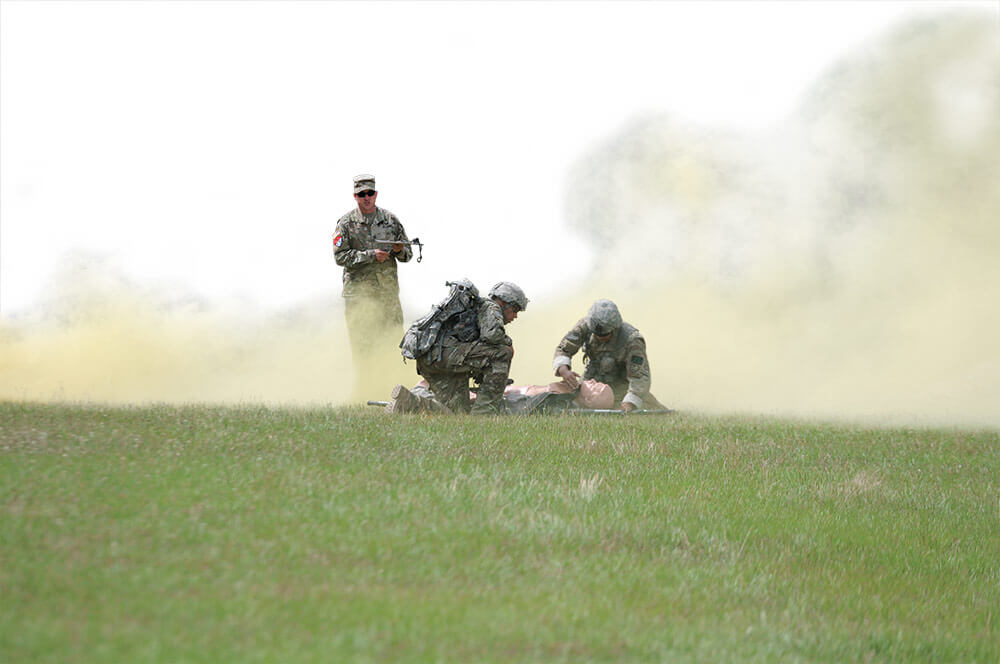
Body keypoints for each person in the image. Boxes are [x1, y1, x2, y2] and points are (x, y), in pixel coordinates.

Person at [387, 281, 529, 415]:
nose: (515, 315)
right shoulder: (491, 307)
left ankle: (409, 402)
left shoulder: (476, 310)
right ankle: (485, 414)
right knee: (503, 352)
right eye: (514, 308)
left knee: (458, 412)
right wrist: (508, 343)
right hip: (445, 356)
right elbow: (492, 335)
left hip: (431, 360)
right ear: (502, 302)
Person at [333, 174, 413, 359]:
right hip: (360, 298)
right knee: (363, 349)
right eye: (362, 194)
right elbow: (340, 256)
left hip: (387, 296)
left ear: (376, 194)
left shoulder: (391, 221)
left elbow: (407, 255)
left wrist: (399, 250)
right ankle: (367, 385)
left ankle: (393, 385)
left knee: (393, 345)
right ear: (355, 196)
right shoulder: (345, 224)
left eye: (370, 193)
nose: (366, 197)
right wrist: (370, 255)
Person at [553, 299, 666, 412]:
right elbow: (564, 348)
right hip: (592, 382)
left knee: (653, 410)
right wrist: (564, 370)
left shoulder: (632, 340)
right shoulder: (585, 326)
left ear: (615, 328)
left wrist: (629, 404)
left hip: (622, 386)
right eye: (597, 334)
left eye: (606, 334)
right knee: (567, 404)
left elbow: (640, 377)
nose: (600, 338)